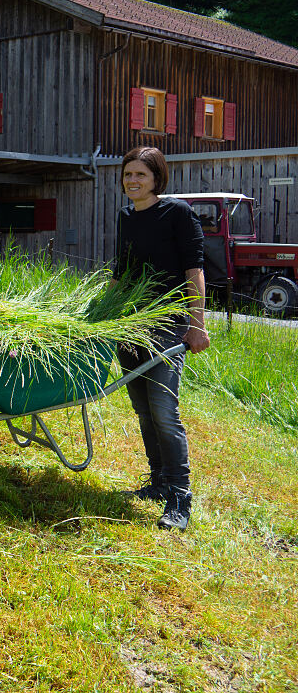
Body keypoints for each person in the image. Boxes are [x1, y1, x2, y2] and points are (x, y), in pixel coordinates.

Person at [113, 146, 210, 531]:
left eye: (141, 175)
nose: (133, 181)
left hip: (168, 323)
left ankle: (179, 497)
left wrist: (196, 323)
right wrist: (103, 315)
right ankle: (157, 483)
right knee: (142, 409)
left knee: (165, 413)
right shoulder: (126, 216)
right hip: (131, 324)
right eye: (128, 174)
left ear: (157, 179)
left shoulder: (178, 213)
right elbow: (122, 270)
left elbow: (194, 268)